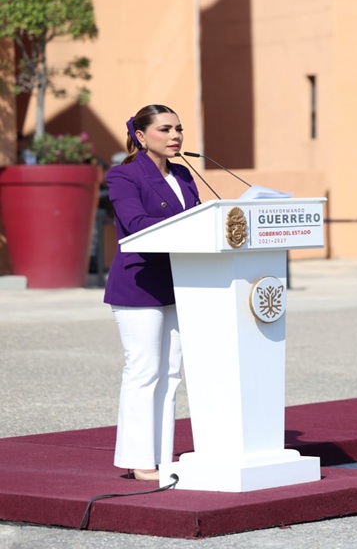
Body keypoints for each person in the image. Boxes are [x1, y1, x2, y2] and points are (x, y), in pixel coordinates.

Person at [104, 105, 201, 480]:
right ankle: (138, 459)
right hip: (138, 283)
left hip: (181, 282)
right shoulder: (124, 175)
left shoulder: (184, 175)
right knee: (143, 371)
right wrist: (190, 223)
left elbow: (199, 221)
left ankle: (161, 454)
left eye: (178, 128)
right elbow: (136, 223)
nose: (175, 135)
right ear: (142, 137)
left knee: (171, 373)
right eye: (165, 129)